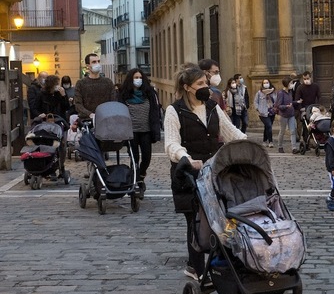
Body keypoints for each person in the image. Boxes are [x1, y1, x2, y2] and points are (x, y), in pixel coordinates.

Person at [164, 64, 246, 280]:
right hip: (188, 173)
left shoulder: (212, 106)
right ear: (187, 87)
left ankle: (223, 261)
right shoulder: (175, 110)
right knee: (195, 222)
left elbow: (230, 132)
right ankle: (196, 268)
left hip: (213, 173)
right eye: (200, 84)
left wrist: (249, 146)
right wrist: (185, 158)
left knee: (224, 218)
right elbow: (171, 143)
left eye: (206, 83)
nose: (206, 87)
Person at [119, 69, 161, 195]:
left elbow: (155, 111)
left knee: (147, 157)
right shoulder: (123, 94)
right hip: (131, 132)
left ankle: (141, 176)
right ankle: (135, 182)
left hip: (146, 131)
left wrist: (157, 127)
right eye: (135, 77)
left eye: (140, 77)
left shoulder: (150, 93)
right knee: (134, 158)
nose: (138, 79)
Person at [75, 53, 116, 122]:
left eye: (98, 61)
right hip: (87, 120)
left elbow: (113, 101)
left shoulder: (108, 82)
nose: (97, 64)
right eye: (94, 62)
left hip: (106, 119)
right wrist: (90, 114)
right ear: (88, 66)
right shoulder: (81, 83)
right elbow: (78, 104)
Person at [274, 77, 298, 153]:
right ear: (287, 84)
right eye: (291, 83)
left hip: (291, 114)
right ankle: (280, 146)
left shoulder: (290, 92)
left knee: (293, 131)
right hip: (283, 115)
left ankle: (294, 148)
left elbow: (291, 102)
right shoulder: (281, 93)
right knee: (282, 131)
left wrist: (297, 102)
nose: (292, 84)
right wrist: (286, 106)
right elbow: (278, 105)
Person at [295, 71, 321, 139]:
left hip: (313, 107)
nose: (306, 80)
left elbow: (319, 97)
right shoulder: (300, 87)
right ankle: (305, 139)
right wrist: (301, 108)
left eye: (307, 78)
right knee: (305, 125)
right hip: (304, 108)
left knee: (315, 123)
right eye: (304, 79)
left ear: (310, 78)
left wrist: (318, 106)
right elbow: (297, 99)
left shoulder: (315, 86)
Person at [254, 79, 277, 147]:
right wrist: (258, 109)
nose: (266, 84)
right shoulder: (259, 93)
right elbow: (256, 101)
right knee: (269, 125)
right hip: (263, 112)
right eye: (264, 83)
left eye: (267, 82)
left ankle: (264, 140)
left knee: (267, 127)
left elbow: (276, 100)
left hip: (271, 111)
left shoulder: (273, 92)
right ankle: (270, 141)